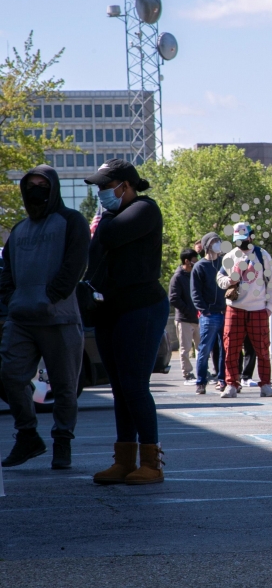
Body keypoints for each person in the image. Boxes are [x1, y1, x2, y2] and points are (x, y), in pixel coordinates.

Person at [84, 159, 169, 485]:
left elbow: (111, 235)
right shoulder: (109, 216)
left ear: (126, 185)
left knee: (134, 384)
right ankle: (124, 460)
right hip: (110, 309)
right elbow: (93, 254)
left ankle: (152, 460)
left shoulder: (145, 209)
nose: (102, 194)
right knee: (120, 387)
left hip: (142, 307)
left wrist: (102, 222)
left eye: (106, 187)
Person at [0, 166, 89, 470]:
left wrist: (51, 296)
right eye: (31, 185)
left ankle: (62, 442)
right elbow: (7, 272)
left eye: (43, 185)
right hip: (21, 318)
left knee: (64, 387)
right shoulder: (19, 230)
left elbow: (76, 263)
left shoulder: (71, 221)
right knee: (10, 376)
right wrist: (12, 299)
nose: (36, 190)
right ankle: (28, 436)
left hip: (59, 318)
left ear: (54, 188)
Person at [216, 222, 272, 398]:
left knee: (262, 349)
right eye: (237, 240)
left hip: (258, 309)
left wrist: (269, 307)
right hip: (234, 308)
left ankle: (265, 384)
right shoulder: (230, 256)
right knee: (231, 348)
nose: (240, 243)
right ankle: (231, 385)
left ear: (251, 236)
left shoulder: (262, 255)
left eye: (243, 239)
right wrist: (229, 281)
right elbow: (219, 278)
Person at [191, 232, 227, 394]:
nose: (217, 244)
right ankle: (201, 381)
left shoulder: (225, 263)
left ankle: (223, 380)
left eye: (218, 241)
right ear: (206, 245)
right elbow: (195, 293)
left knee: (225, 349)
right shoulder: (200, 266)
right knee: (205, 349)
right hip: (209, 315)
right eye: (214, 242)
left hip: (225, 312)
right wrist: (204, 310)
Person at [168, 248, 200, 383]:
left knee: (201, 348)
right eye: (194, 260)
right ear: (186, 261)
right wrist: (188, 310)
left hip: (198, 318)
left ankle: (202, 371)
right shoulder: (177, 277)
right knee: (185, 348)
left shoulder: (195, 274)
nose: (196, 262)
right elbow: (174, 298)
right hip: (184, 319)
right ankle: (187, 372)